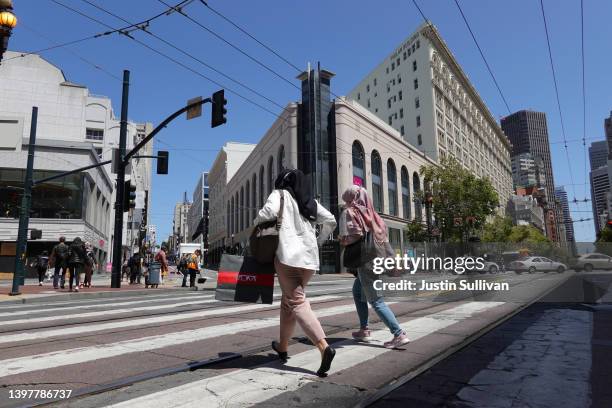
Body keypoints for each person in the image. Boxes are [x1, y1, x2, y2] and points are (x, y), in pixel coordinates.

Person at [254, 168, 337, 377]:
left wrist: (256, 226)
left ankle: (323, 346)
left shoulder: (279, 194)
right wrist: (318, 241)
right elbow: (331, 220)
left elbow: (266, 213)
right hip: (308, 261)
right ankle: (282, 346)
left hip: (288, 257)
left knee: (297, 301)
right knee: (288, 301)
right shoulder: (309, 203)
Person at [338, 185, 410, 349]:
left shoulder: (351, 212)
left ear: (351, 199)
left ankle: (398, 333)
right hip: (375, 260)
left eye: (347, 199)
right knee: (357, 292)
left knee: (376, 300)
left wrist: (343, 240)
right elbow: (383, 239)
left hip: (365, 262)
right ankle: (364, 329)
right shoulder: (374, 215)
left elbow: (355, 235)